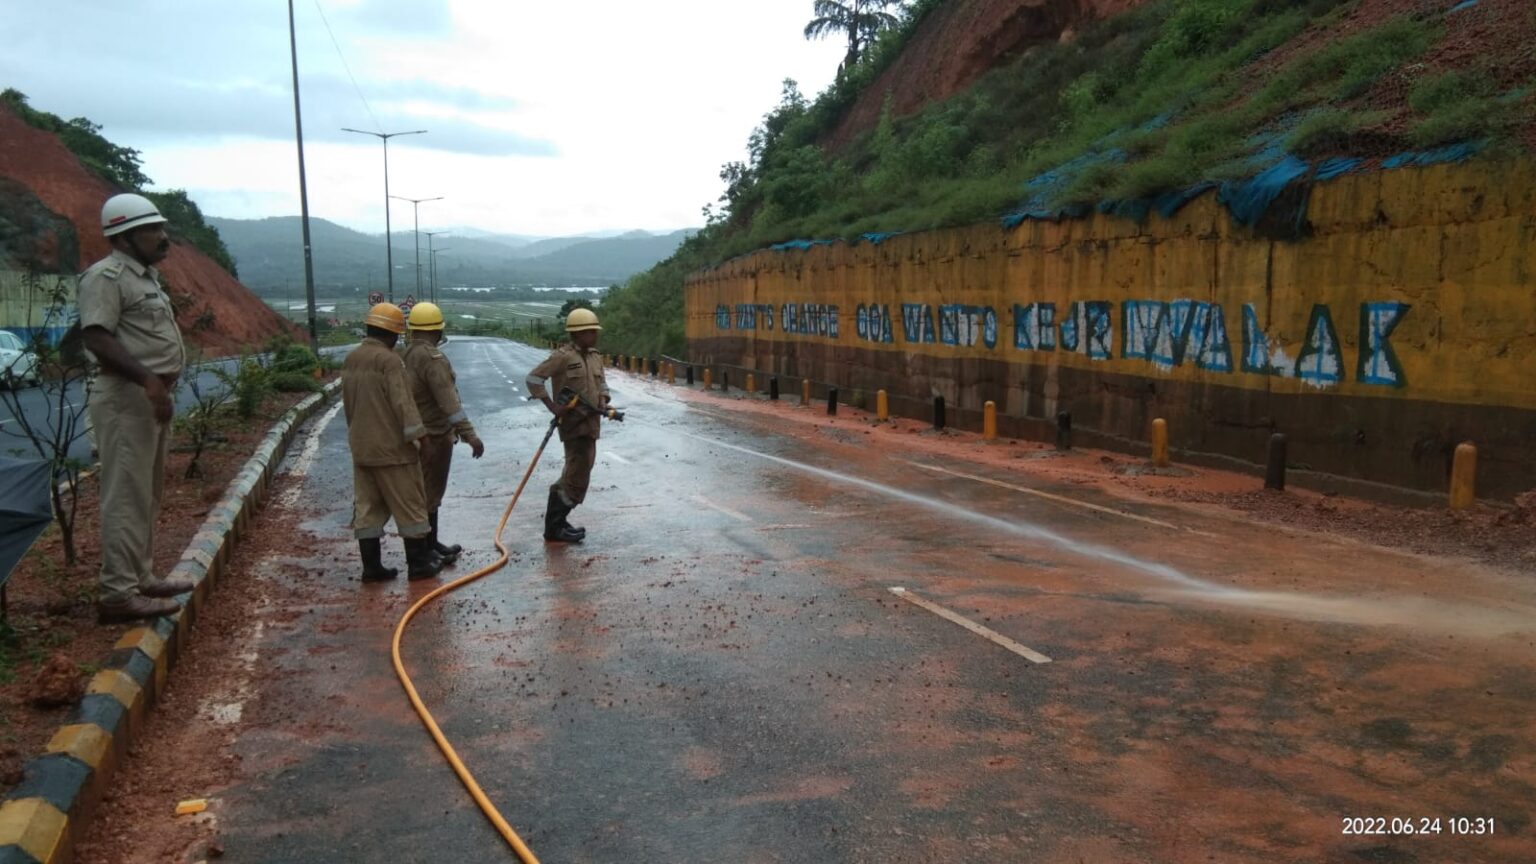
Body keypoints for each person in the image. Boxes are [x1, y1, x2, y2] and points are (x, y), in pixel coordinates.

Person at [78, 194, 194, 622]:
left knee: (146, 493)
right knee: (125, 496)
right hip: (127, 397)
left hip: (150, 398)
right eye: (151, 230)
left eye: (160, 228)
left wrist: (159, 386)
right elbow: (97, 337)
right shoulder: (106, 277)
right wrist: (148, 380)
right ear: (124, 236)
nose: (162, 237)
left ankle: (140, 576)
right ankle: (117, 594)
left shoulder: (143, 277)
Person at [342, 303, 444, 582]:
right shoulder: (389, 361)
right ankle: (419, 564)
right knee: (411, 507)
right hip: (393, 451)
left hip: (362, 449)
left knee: (368, 510)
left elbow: (349, 406)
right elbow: (405, 406)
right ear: (394, 333)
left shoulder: (352, 359)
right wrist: (423, 439)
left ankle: (371, 568)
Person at [401, 302, 485, 564]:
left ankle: (431, 544)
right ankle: (425, 551)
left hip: (415, 433)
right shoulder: (432, 358)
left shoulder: (407, 354)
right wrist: (470, 435)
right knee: (430, 493)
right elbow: (449, 403)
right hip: (434, 435)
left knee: (424, 492)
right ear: (437, 330)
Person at [525, 308, 610, 543]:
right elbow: (533, 379)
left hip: (592, 423)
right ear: (578, 333)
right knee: (576, 474)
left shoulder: (594, 356)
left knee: (579, 471)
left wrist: (604, 399)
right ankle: (554, 526)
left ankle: (559, 522)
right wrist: (552, 406)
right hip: (573, 424)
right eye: (591, 331)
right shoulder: (562, 357)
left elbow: (602, 383)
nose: (595, 335)